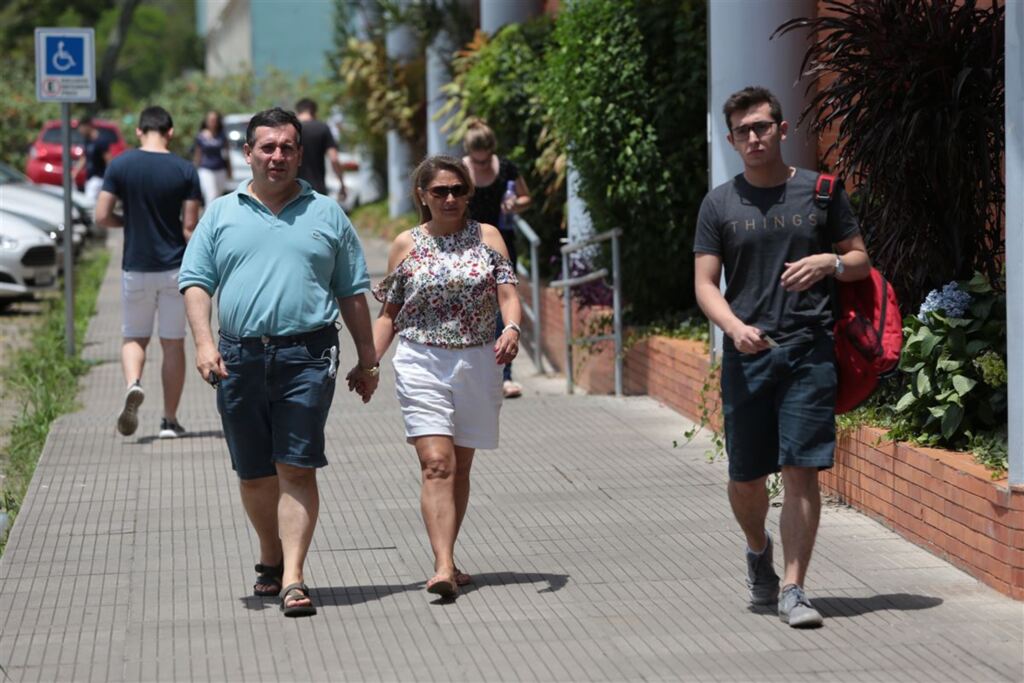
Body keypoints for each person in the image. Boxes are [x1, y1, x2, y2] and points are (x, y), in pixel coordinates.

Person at [178, 107, 379, 618]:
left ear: (299, 153)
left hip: (308, 355)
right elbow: (196, 282)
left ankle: (293, 576)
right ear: (247, 153)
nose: (277, 156)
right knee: (254, 473)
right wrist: (204, 344)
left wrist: (368, 358)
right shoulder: (221, 213)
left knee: (297, 466)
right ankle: (269, 554)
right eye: (267, 147)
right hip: (238, 356)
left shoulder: (326, 213)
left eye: (287, 147)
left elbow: (353, 290)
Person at [693, 86, 871, 628]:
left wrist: (829, 264)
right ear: (730, 139)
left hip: (809, 350)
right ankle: (757, 550)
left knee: (801, 471)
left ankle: (794, 588)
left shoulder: (821, 193)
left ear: (783, 129)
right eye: (743, 130)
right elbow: (704, 283)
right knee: (746, 477)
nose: (754, 137)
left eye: (762, 127)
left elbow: (860, 260)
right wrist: (732, 327)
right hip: (748, 356)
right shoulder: (720, 203)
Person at [370, 155, 521, 598]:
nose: (450, 198)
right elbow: (389, 314)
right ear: (423, 195)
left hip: (477, 360)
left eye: (458, 190)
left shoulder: (488, 237)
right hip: (421, 360)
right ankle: (442, 566)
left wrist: (511, 328)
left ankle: (448, 555)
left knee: (460, 467)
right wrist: (369, 362)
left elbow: (509, 293)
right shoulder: (406, 244)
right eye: (440, 191)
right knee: (437, 464)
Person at [95, 106, 202, 440]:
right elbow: (189, 226)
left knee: (134, 337)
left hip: (135, 267)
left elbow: (101, 215)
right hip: (174, 268)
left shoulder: (121, 165)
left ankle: (133, 383)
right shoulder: (185, 169)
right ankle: (169, 421)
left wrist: (126, 222)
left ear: (139, 131)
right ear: (170, 132)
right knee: (173, 345)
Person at [462, 119, 532, 399]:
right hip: (467, 246)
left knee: (504, 306)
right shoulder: (458, 169)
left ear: (491, 149)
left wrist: (516, 203)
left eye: (484, 161)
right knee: (470, 306)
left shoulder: (506, 168)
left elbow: (527, 197)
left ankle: (505, 376)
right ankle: (474, 373)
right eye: (476, 162)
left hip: (502, 245)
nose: (480, 166)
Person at [295, 98, 347, 201]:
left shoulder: (292, 129)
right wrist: (342, 184)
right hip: (316, 190)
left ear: (298, 111)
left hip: (293, 190)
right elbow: (334, 159)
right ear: (314, 112)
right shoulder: (323, 128)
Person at [192, 110, 233, 207]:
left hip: (220, 169)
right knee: (211, 196)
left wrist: (229, 170)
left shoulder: (222, 136)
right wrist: (194, 171)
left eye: (214, 120)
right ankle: (209, 220)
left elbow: (227, 154)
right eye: (210, 120)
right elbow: (198, 155)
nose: (212, 122)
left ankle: (217, 219)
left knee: (218, 197)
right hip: (206, 169)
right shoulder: (201, 136)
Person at [75, 116, 112, 201]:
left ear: (87, 126)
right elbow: (84, 158)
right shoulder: (87, 140)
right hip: (90, 177)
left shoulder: (100, 140)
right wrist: (75, 172)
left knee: (89, 201)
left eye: (81, 128)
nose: (80, 131)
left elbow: (109, 160)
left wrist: (109, 178)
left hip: (98, 178)